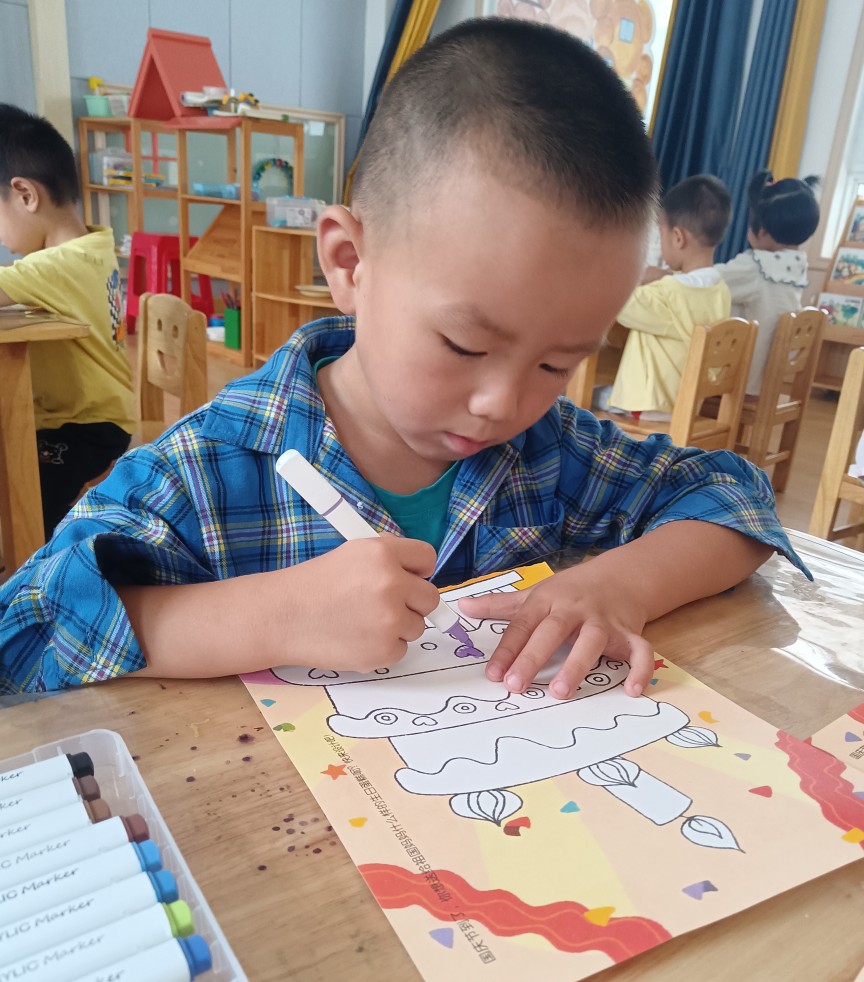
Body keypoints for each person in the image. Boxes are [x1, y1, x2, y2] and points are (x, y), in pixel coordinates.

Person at [0, 20, 805, 700]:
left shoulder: (548, 451)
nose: (502, 403)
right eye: (465, 345)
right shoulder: (208, 471)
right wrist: (273, 616)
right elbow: (25, 631)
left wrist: (618, 585)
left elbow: (734, 497)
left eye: (556, 364)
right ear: (349, 263)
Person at [0, 103, 134, 537]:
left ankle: (40, 567)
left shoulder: (60, 265)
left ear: (25, 195)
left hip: (84, 428)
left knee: (27, 510)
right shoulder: (89, 246)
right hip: (90, 418)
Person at [607, 174, 732, 418]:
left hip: (650, 407)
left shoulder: (668, 295)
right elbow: (687, 292)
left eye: (660, 234)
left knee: (586, 401)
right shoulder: (721, 290)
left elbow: (616, 299)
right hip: (686, 405)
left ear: (678, 237)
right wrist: (666, 275)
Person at [715, 169, 820, 396]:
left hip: (738, 385)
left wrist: (668, 273)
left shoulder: (756, 266)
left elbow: (705, 282)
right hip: (767, 385)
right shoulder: (796, 268)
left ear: (761, 230)